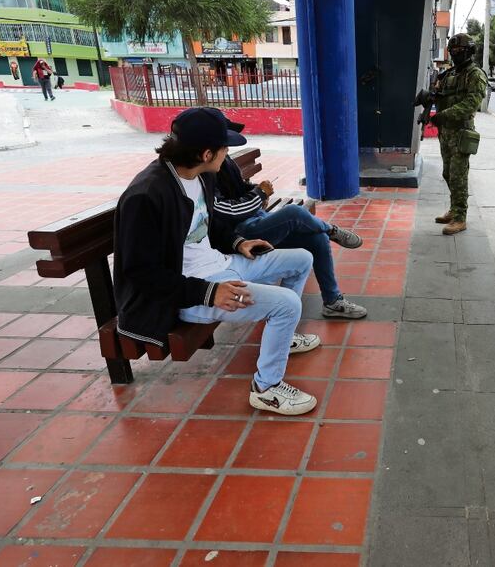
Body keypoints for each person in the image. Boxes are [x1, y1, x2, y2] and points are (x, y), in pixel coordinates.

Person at [113, 107, 322, 416]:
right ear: (207, 153)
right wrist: (209, 293)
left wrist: (239, 242)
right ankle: (266, 389)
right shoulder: (146, 196)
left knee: (302, 259)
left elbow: (208, 226)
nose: (228, 153)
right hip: (188, 293)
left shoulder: (200, 176)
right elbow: (140, 273)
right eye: (225, 148)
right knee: (287, 304)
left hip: (222, 263)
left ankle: (285, 337)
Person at [211, 117, 368, 320]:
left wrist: (258, 191)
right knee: (294, 213)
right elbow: (226, 210)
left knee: (317, 239)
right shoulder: (204, 172)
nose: (227, 148)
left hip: (254, 219)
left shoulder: (224, 160)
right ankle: (331, 230)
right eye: (225, 143)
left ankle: (332, 301)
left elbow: (240, 189)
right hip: (238, 235)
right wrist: (259, 195)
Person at [433, 33, 487, 235]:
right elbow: (440, 94)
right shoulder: (449, 74)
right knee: (448, 173)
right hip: (446, 132)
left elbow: (471, 104)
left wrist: (444, 115)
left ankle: (460, 217)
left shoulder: (475, 75)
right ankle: (454, 209)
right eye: (453, 51)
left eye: (459, 51)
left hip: (462, 132)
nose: (456, 54)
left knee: (458, 176)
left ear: (469, 52)